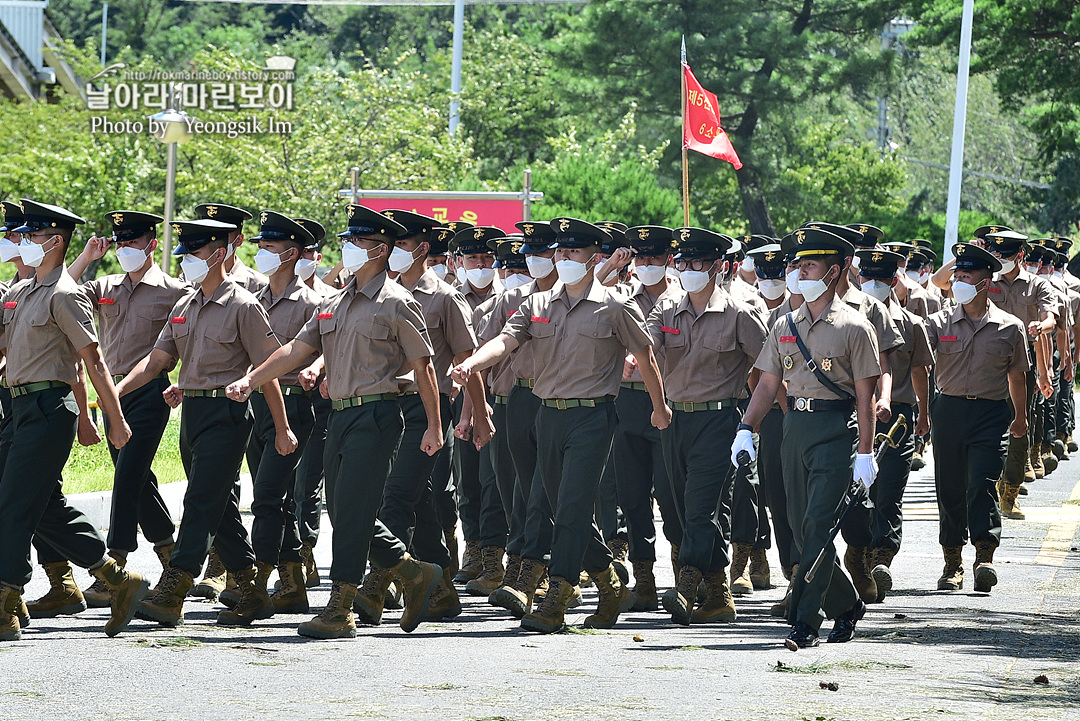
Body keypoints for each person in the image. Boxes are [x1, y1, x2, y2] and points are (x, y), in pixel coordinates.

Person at [225, 203, 444, 639]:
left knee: (353, 509)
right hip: (339, 415)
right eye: (348, 241)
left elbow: (424, 368)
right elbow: (294, 351)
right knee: (344, 509)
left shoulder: (397, 302)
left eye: (358, 242)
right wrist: (251, 378)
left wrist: (435, 426)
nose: (349, 248)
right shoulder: (334, 303)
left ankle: (340, 607)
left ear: (380, 250)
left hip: (377, 413)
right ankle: (414, 573)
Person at [452, 217, 670, 634]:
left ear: (592, 259)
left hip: (593, 415)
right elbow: (504, 342)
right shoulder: (538, 305)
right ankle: (607, 581)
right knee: (559, 507)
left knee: (571, 504)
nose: (564, 258)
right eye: (561, 251)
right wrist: (471, 364)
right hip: (546, 414)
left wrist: (658, 408)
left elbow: (645, 356)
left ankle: (558, 594)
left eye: (574, 252)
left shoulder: (614, 305)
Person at [119, 218, 297, 627]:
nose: (186, 262)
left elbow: (267, 366)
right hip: (193, 413)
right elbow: (157, 361)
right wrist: (114, 393)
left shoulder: (243, 305)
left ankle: (175, 586)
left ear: (219, 254)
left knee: (199, 500)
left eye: (194, 254)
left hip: (228, 414)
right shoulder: (184, 305)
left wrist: (283, 427)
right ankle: (252, 592)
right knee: (219, 507)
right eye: (183, 255)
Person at [0, 199, 148, 642]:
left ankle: (6, 600)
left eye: (31, 236)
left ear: (55, 241)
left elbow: (94, 362)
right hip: (19, 408)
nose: (22, 243)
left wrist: (113, 419)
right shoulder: (23, 293)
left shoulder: (65, 295)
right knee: (43, 506)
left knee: (11, 504)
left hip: (49, 410)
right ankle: (118, 578)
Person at [733, 226, 881, 649]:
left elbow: (867, 396)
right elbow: (766, 383)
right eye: (796, 263)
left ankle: (804, 621)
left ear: (833, 271)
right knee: (799, 531)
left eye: (808, 264)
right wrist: (747, 428)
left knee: (817, 525)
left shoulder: (855, 326)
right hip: (793, 430)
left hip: (836, 431)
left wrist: (866, 454)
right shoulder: (785, 325)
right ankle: (847, 604)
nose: (798, 271)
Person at [351, 209, 478, 625]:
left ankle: (373, 585)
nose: (397, 252)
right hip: (388, 407)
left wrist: (478, 412)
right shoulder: (378, 294)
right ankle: (439, 588)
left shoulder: (444, 296)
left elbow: (466, 359)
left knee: (396, 495)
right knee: (418, 499)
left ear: (423, 248)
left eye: (404, 245)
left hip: (429, 408)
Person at [63, 211, 188, 607]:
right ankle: (170, 552)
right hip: (110, 394)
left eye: (132, 242)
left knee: (128, 473)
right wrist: (87, 258)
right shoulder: (106, 286)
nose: (125, 250)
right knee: (134, 476)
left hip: (150, 393)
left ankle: (114, 565)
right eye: (119, 243)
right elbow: (59, 293)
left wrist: (188, 379)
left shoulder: (174, 290)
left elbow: (195, 338)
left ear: (151, 243)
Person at [647, 227, 767, 625]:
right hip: (673, 419)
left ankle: (687, 584)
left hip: (719, 419)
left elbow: (769, 367)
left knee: (700, 507)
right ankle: (718, 595)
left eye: (696, 262)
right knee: (681, 510)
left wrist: (756, 421)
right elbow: (645, 350)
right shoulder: (666, 310)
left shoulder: (739, 314)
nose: (688, 270)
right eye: (682, 262)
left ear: (717, 265)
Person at [923, 242, 1029, 594]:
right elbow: (918, 362)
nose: (959, 280)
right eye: (957, 274)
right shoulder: (939, 323)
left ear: (986, 282)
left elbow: (1017, 375)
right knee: (949, 487)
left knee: (982, 484)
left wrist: (1020, 418)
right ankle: (952, 562)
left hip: (990, 413)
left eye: (967, 275)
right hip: (949, 410)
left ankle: (985, 555)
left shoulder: (1010, 327)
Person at [241, 211, 323, 617]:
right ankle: (292, 582)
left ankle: (258, 582)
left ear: (291, 253)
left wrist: (316, 368)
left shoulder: (315, 302)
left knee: (268, 496)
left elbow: (326, 346)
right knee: (277, 497)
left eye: (270, 248)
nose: (262, 253)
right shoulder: (254, 300)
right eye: (260, 246)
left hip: (293, 404)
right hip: (256, 402)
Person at [852, 249, 933, 600]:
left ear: (894, 281)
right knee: (861, 491)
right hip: (858, 414)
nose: (872, 284)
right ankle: (861, 553)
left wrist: (925, 415)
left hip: (898, 415)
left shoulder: (911, 325)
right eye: (865, 277)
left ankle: (881, 554)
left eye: (880, 279)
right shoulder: (847, 319)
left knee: (890, 491)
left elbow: (920, 373)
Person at [614, 225, 684, 612]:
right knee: (633, 496)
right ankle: (643, 580)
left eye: (654, 257)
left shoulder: (682, 299)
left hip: (669, 405)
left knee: (671, 494)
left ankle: (683, 574)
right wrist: (613, 263)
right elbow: (590, 287)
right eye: (640, 258)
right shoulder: (624, 295)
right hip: (628, 405)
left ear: (668, 259)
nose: (646, 264)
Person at [450, 226, 502, 584]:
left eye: (486, 258)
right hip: (456, 397)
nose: (480, 264)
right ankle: (474, 545)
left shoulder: (511, 295)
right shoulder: (450, 297)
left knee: (495, 479)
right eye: (473, 258)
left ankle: (495, 555)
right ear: (460, 262)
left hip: (497, 395)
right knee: (466, 477)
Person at [290, 217, 336, 588]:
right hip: (277, 398)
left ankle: (305, 549)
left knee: (309, 479)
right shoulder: (265, 293)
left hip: (316, 399)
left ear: (315, 256)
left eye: (308, 252)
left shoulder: (327, 297)